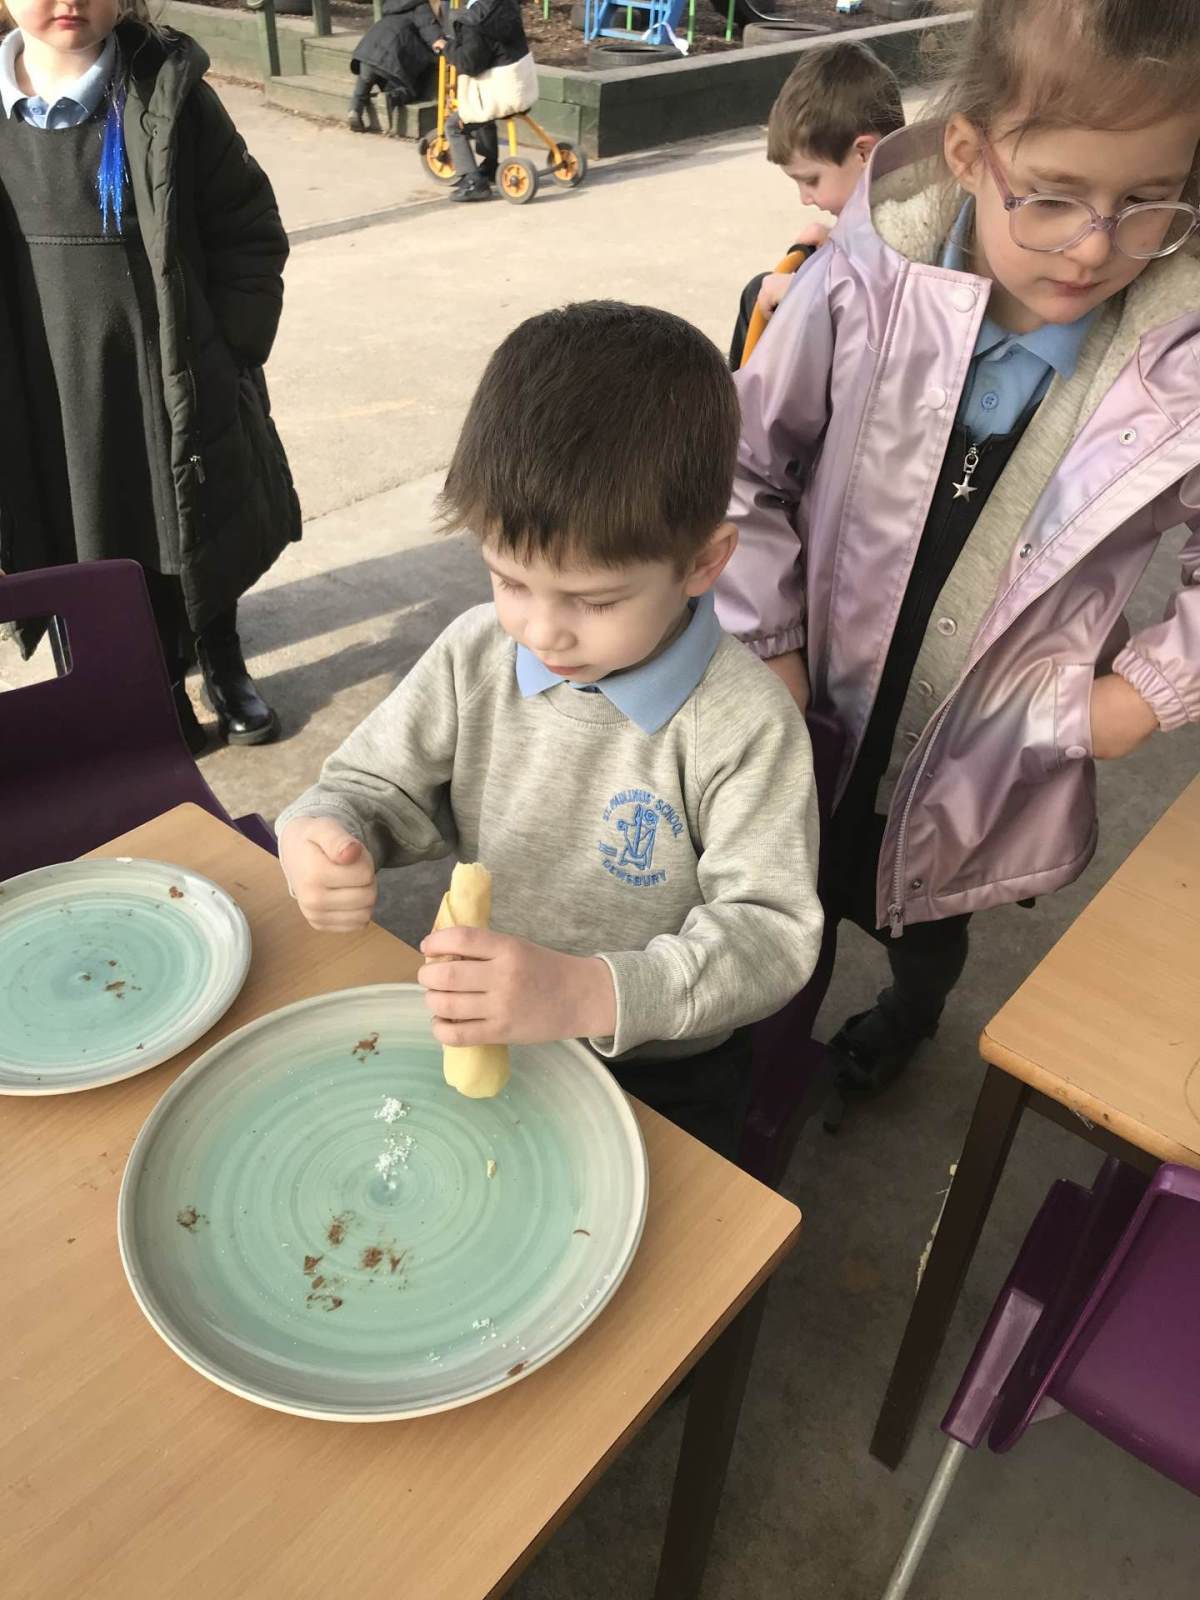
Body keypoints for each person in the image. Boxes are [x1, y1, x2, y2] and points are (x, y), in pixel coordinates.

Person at [715, 0, 1200, 1119]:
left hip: (989, 749)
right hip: (810, 700)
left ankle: (910, 1015)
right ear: (972, 153)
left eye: (1148, 203)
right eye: (1053, 196)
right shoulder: (865, 276)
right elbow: (746, 461)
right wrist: (773, 645)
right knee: (781, 887)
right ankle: (762, 1038)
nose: (1096, 246)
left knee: (926, 923)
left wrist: (1144, 695)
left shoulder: (1176, 360)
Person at [276, 302, 823, 1160]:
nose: (541, 631)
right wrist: (325, 833)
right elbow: (368, 787)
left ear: (704, 562)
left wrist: (589, 993)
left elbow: (769, 934)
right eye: (509, 581)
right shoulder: (476, 654)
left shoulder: (743, 725)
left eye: (595, 601)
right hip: (488, 1032)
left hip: (664, 1068)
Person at [0, 1, 299, 752]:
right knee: (84, 530)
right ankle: (143, 682)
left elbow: (247, 226)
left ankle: (220, 656)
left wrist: (228, 347)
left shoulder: (169, 92)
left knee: (191, 518)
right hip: (44, 382)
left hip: (167, 368)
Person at [729, 40, 904, 369]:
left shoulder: (913, 229)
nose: (805, 198)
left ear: (864, 153)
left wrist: (806, 295)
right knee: (760, 291)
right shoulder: (888, 203)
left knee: (762, 297)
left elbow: (892, 314)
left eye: (811, 180)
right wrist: (834, 244)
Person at [441, 0, 535, 203]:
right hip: (522, 88)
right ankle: (490, 165)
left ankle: (473, 182)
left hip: (499, 96)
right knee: (483, 114)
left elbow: (469, 64)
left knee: (454, 125)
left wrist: (447, 47)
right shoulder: (508, 5)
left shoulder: (474, 21)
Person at [347, 0, 443, 136]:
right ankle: (391, 98)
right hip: (393, 55)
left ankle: (355, 109)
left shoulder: (394, 3)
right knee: (409, 90)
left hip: (369, 48)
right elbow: (429, 28)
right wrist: (440, 42)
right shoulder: (421, 7)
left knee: (364, 81)